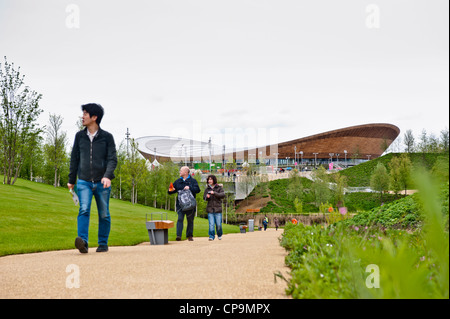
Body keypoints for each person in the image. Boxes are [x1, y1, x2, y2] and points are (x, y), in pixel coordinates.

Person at [68, 103, 117, 253]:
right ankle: (83, 242)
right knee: (84, 210)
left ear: (94, 117)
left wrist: (107, 176)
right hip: (83, 181)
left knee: (104, 213)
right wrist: (71, 179)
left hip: (102, 182)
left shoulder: (107, 137)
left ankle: (103, 243)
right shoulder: (79, 136)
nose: (82, 116)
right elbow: (74, 158)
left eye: (85, 113)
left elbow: (112, 159)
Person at [168, 166, 200, 241]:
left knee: (190, 220)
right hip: (180, 205)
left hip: (190, 205)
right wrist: (171, 189)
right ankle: (178, 235)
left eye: (181, 171)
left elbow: (198, 190)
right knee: (180, 219)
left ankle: (189, 236)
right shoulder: (177, 181)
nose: (179, 172)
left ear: (185, 172)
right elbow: (170, 191)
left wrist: (190, 188)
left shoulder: (193, 181)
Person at [203, 175, 225, 241]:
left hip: (217, 209)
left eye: (211, 179)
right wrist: (207, 197)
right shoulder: (207, 189)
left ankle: (219, 234)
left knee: (218, 225)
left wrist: (214, 193)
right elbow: (204, 198)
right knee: (211, 224)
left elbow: (222, 195)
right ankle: (211, 236)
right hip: (210, 209)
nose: (209, 181)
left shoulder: (219, 188)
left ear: (214, 180)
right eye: (208, 179)